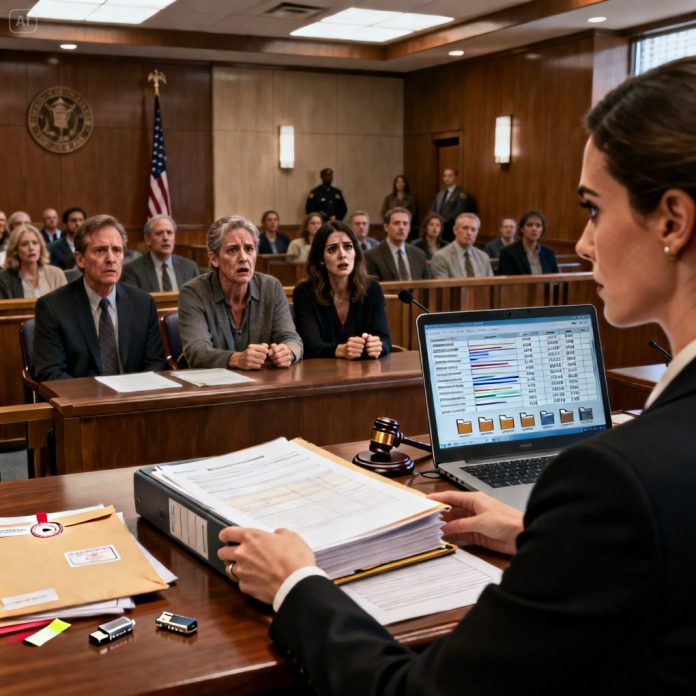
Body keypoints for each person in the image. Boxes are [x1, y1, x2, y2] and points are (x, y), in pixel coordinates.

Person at [217, 57, 696, 694]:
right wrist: (544, 540)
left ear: (672, 220)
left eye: (592, 209)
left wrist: (295, 583)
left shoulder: (613, 482)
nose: (582, 244)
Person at [34, 214, 167, 381]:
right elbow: (51, 372)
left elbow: (155, 363)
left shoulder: (143, 303)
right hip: (82, 395)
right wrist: (98, 395)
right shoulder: (52, 307)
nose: (111, 259)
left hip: (134, 394)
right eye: (100, 250)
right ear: (80, 259)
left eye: (117, 250)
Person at [178, 215, 302, 370]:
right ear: (214, 258)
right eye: (233, 250)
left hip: (262, 381)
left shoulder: (271, 287)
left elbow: (291, 339)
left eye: (249, 249)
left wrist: (288, 352)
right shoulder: (193, 292)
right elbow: (197, 351)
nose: (243, 258)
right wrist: (237, 359)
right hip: (211, 382)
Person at [292, 221, 391, 359]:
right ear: (320, 259)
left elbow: (385, 339)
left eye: (348, 247)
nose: (342, 255)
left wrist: (378, 346)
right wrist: (341, 350)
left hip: (365, 369)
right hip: (322, 370)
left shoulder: (372, 289)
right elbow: (309, 345)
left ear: (355, 253)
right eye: (332, 249)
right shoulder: (305, 292)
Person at [121, 214, 200, 292]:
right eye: (159, 233)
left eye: (169, 233)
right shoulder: (132, 270)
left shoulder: (190, 267)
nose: (166, 238)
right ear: (148, 240)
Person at [0, 224, 67, 298]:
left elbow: (66, 302)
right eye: (24, 244)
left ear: (40, 247)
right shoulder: (3, 278)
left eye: (35, 243)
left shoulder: (56, 274)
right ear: (15, 250)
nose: (31, 248)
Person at [365, 207, 428, 281]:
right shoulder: (372, 256)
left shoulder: (419, 255)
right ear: (386, 227)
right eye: (396, 223)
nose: (401, 227)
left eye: (405, 223)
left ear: (409, 228)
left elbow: (427, 284)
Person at [431, 213, 493, 278]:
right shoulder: (441, 257)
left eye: (473, 229)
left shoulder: (484, 257)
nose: (469, 233)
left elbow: (491, 283)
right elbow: (444, 284)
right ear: (455, 230)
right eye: (465, 228)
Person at [498, 210, 559, 275]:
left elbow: (556, 279)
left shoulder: (549, 253)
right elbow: (506, 279)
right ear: (522, 229)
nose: (534, 229)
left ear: (542, 230)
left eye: (538, 225)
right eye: (529, 225)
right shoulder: (508, 252)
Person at [430, 168, 475, 242]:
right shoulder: (440, 193)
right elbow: (433, 209)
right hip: (438, 228)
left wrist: (443, 221)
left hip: (451, 227)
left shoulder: (461, 193)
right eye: (445, 176)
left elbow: (458, 210)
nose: (446, 178)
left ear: (456, 178)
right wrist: (433, 221)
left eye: (450, 176)